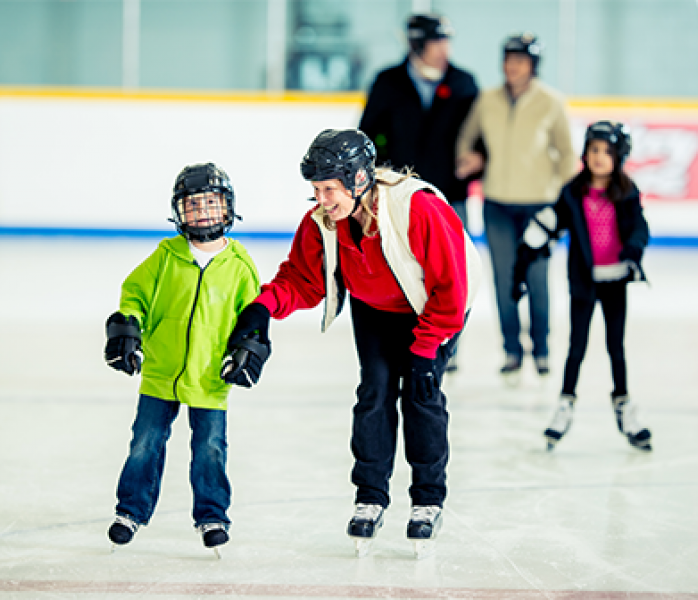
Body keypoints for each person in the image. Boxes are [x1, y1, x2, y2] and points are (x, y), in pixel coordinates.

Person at [226, 129, 481, 558]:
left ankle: (427, 500)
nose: (322, 200)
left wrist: (426, 349)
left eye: (330, 189)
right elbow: (301, 280)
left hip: (433, 308)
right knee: (374, 394)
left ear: (359, 179)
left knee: (421, 396)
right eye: (316, 190)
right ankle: (371, 495)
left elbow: (451, 289)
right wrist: (261, 309)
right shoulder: (323, 221)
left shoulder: (417, 208)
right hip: (376, 309)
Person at [103, 163, 268, 556]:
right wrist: (128, 328)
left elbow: (254, 316)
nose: (202, 212)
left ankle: (212, 515)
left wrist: (249, 347)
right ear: (179, 211)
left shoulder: (241, 267)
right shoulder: (165, 256)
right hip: (161, 371)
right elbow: (134, 295)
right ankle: (131, 511)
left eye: (210, 203)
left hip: (210, 376)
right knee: (144, 442)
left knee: (210, 447)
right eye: (192, 205)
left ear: (227, 207)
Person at [512, 121, 652, 452]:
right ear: (584, 154)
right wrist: (523, 260)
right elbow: (549, 223)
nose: (599, 157)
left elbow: (639, 228)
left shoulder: (628, 193)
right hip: (584, 283)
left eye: (607, 151)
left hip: (615, 279)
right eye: (593, 150)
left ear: (620, 156)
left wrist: (634, 248)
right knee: (577, 348)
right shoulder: (573, 193)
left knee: (616, 348)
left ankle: (624, 404)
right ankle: (565, 403)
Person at [455, 32, 577, 384]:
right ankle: (511, 349)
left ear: (533, 66)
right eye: (508, 59)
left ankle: (541, 349)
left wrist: (561, 198)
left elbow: (567, 153)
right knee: (504, 279)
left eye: (521, 60)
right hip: (496, 204)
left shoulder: (551, 102)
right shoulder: (487, 99)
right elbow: (468, 136)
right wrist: (469, 158)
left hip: (539, 206)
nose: (513, 66)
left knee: (536, 279)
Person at [359, 13, 479, 232]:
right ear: (417, 44)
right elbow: (368, 134)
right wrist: (380, 174)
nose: (445, 49)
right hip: (398, 194)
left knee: (453, 262)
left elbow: (479, 133)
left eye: (446, 41)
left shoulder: (463, 83)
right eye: (436, 42)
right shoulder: (388, 82)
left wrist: (478, 157)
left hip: (450, 195)